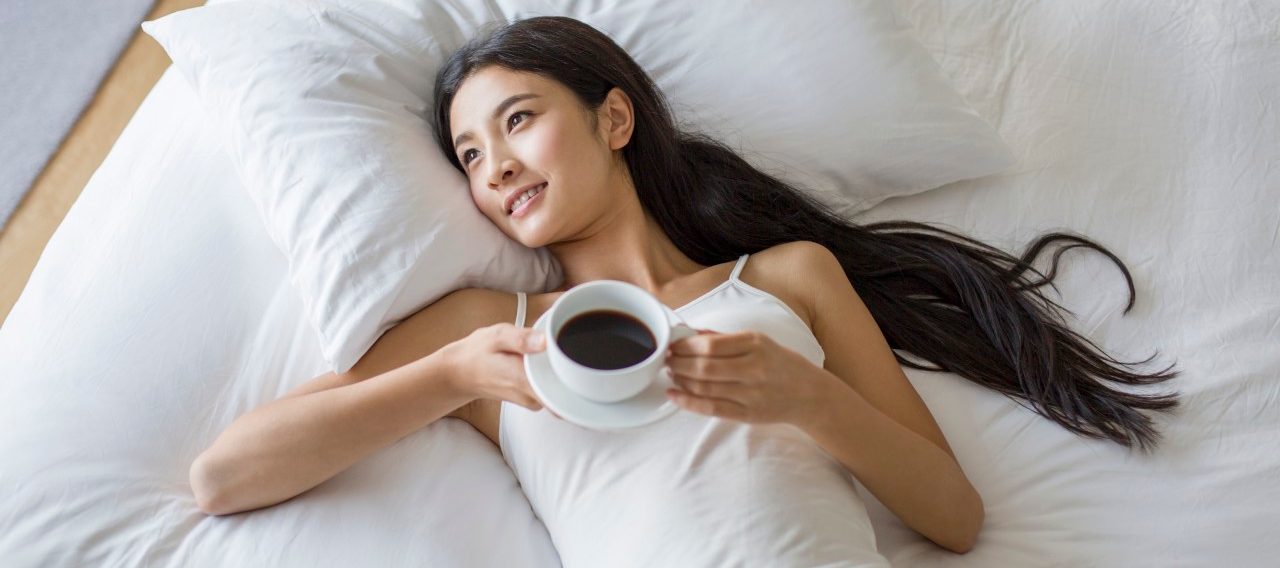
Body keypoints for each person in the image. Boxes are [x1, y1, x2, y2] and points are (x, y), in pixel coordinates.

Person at [187, 15, 1180, 562]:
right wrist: (446, 373)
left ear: (612, 119)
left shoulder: (787, 278)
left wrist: (808, 397)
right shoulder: (488, 330)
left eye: (518, 120)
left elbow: (952, 519)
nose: (491, 165)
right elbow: (223, 476)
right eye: (468, 153)